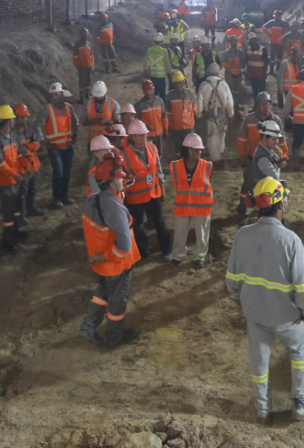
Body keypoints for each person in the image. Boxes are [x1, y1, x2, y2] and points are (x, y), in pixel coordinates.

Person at [226, 177, 304, 424]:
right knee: (298, 353)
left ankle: (262, 410)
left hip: (255, 314)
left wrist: (245, 301)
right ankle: (300, 403)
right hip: (287, 317)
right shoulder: (290, 241)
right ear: (281, 204)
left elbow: (232, 281)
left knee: (259, 363)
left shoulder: (242, 235)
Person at [80, 151, 141, 349]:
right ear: (112, 184)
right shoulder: (114, 208)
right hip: (116, 263)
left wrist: (101, 257)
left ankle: (88, 327)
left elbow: (105, 211)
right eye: (120, 179)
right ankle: (114, 339)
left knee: (102, 294)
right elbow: (124, 244)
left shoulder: (92, 200)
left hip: (101, 263)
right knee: (117, 302)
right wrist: (106, 256)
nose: (123, 180)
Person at [121, 120, 171, 259]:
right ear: (132, 137)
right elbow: (121, 178)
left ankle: (166, 250)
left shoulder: (153, 148)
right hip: (135, 197)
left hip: (153, 193)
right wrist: (128, 179)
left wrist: (162, 188)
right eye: (140, 135)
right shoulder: (124, 155)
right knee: (138, 225)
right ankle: (143, 251)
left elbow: (159, 170)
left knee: (160, 222)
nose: (144, 137)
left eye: (145, 134)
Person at [170, 133, 214, 267]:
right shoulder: (175, 165)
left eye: (200, 149)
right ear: (188, 150)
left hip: (202, 206)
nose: (199, 152)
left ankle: (199, 256)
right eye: (196, 150)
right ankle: (178, 256)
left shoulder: (207, 165)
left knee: (202, 234)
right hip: (182, 205)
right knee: (179, 233)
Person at [0, 104, 27, 251]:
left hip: (16, 178)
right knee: (9, 210)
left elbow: (18, 153)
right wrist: (15, 175)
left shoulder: (12, 136)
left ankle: (15, 230)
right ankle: (8, 239)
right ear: (8, 122)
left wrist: (26, 166)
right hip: (5, 181)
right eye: (12, 120)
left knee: (17, 207)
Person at [43, 82, 80, 208]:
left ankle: (64, 195)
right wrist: (45, 142)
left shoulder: (69, 107)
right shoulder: (47, 110)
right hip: (55, 149)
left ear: (62, 95)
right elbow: (37, 126)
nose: (54, 97)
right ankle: (56, 198)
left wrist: (74, 135)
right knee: (58, 172)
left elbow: (75, 122)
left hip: (67, 147)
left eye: (57, 94)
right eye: (52, 94)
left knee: (67, 172)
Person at [237, 92, 290, 169]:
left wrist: (284, 157)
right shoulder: (249, 119)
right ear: (257, 106)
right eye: (262, 104)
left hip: (272, 158)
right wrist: (243, 156)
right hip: (253, 157)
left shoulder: (276, 120)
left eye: (268, 104)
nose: (265, 107)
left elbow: (282, 140)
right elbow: (241, 139)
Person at [12, 103, 45, 221]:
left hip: (33, 164)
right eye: (22, 117)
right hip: (22, 167)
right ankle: (20, 216)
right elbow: (18, 150)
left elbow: (37, 143)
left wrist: (28, 148)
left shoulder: (29, 129)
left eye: (25, 117)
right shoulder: (12, 133)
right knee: (22, 191)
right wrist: (29, 147)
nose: (25, 120)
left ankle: (32, 208)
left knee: (33, 188)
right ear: (15, 118)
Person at [198, 63, 236, 161]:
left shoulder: (204, 85)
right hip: (222, 115)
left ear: (208, 72)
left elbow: (199, 103)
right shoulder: (224, 84)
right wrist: (231, 114)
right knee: (222, 133)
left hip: (209, 115)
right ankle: (221, 150)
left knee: (211, 136)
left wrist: (199, 114)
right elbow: (229, 102)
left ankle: (215, 158)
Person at [165, 71, 199, 151]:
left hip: (189, 126)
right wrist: (167, 127)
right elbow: (168, 112)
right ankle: (179, 160)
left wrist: (196, 117)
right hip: (176, 126)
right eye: (176, 83)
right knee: (179, 146)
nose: (178, 85)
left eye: (180, 83)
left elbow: (195, 108)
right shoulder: (170, 96)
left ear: (183, 82)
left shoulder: (189, 93)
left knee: (191, 146)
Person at [134, 82, 166, 153]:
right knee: (149, 152)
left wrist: (166, 130)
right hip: (147, 135)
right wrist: (145, 125)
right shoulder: (139, 105)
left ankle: (158, 163)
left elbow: (164, 116)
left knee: (158, 152)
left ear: (153, 90)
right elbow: (136, 120)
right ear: (143, 92)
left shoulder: (160, 101)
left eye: (150, 90)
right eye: (146, 91)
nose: (148, 92)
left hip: (159, 132)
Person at [73, 27, 95, 103]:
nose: (86, 36)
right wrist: (78, 65)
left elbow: (91, 56)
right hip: (81, 66)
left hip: (88, 66)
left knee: (88, 81)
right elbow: (75, 57)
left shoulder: (88, 44)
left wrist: (92, 65)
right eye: (84, 34)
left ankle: (87, 94)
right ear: (81, 35)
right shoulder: (77, 45)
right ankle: (82, 96)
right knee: (82, 81)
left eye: (86, 34)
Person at [146, 32, 171, 101]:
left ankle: (154, 107)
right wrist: (170, 73)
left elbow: (145, 62)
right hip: (161, 77)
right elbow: (167, 64)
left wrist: (146, 71)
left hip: (152, 76)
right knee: (162, 94)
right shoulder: (164, 51)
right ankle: (162, 108)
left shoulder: (149, 50)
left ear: (154, 41)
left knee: (153, 94)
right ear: (162, 41)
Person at [222, 38, 246, 102]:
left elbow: (243, 61)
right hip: (229, 73)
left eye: (235, 41)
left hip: (238, 73)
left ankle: (236, 104)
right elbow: (222, 63)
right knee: (229, 90)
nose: (234, 43)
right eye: (233, 42)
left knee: (237, 90)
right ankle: (229, 104)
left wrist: (243, 69)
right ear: (230, 43)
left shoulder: (240, 52)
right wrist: (228, 65)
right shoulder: (226, 53)